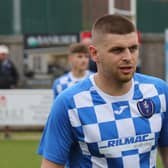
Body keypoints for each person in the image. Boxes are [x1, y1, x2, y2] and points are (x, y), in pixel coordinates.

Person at [38, 14, 168, 168]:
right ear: (94, 54)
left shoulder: (158, 92)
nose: (128, 57)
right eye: (117, 50)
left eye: (133, 48)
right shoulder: (68, 103)